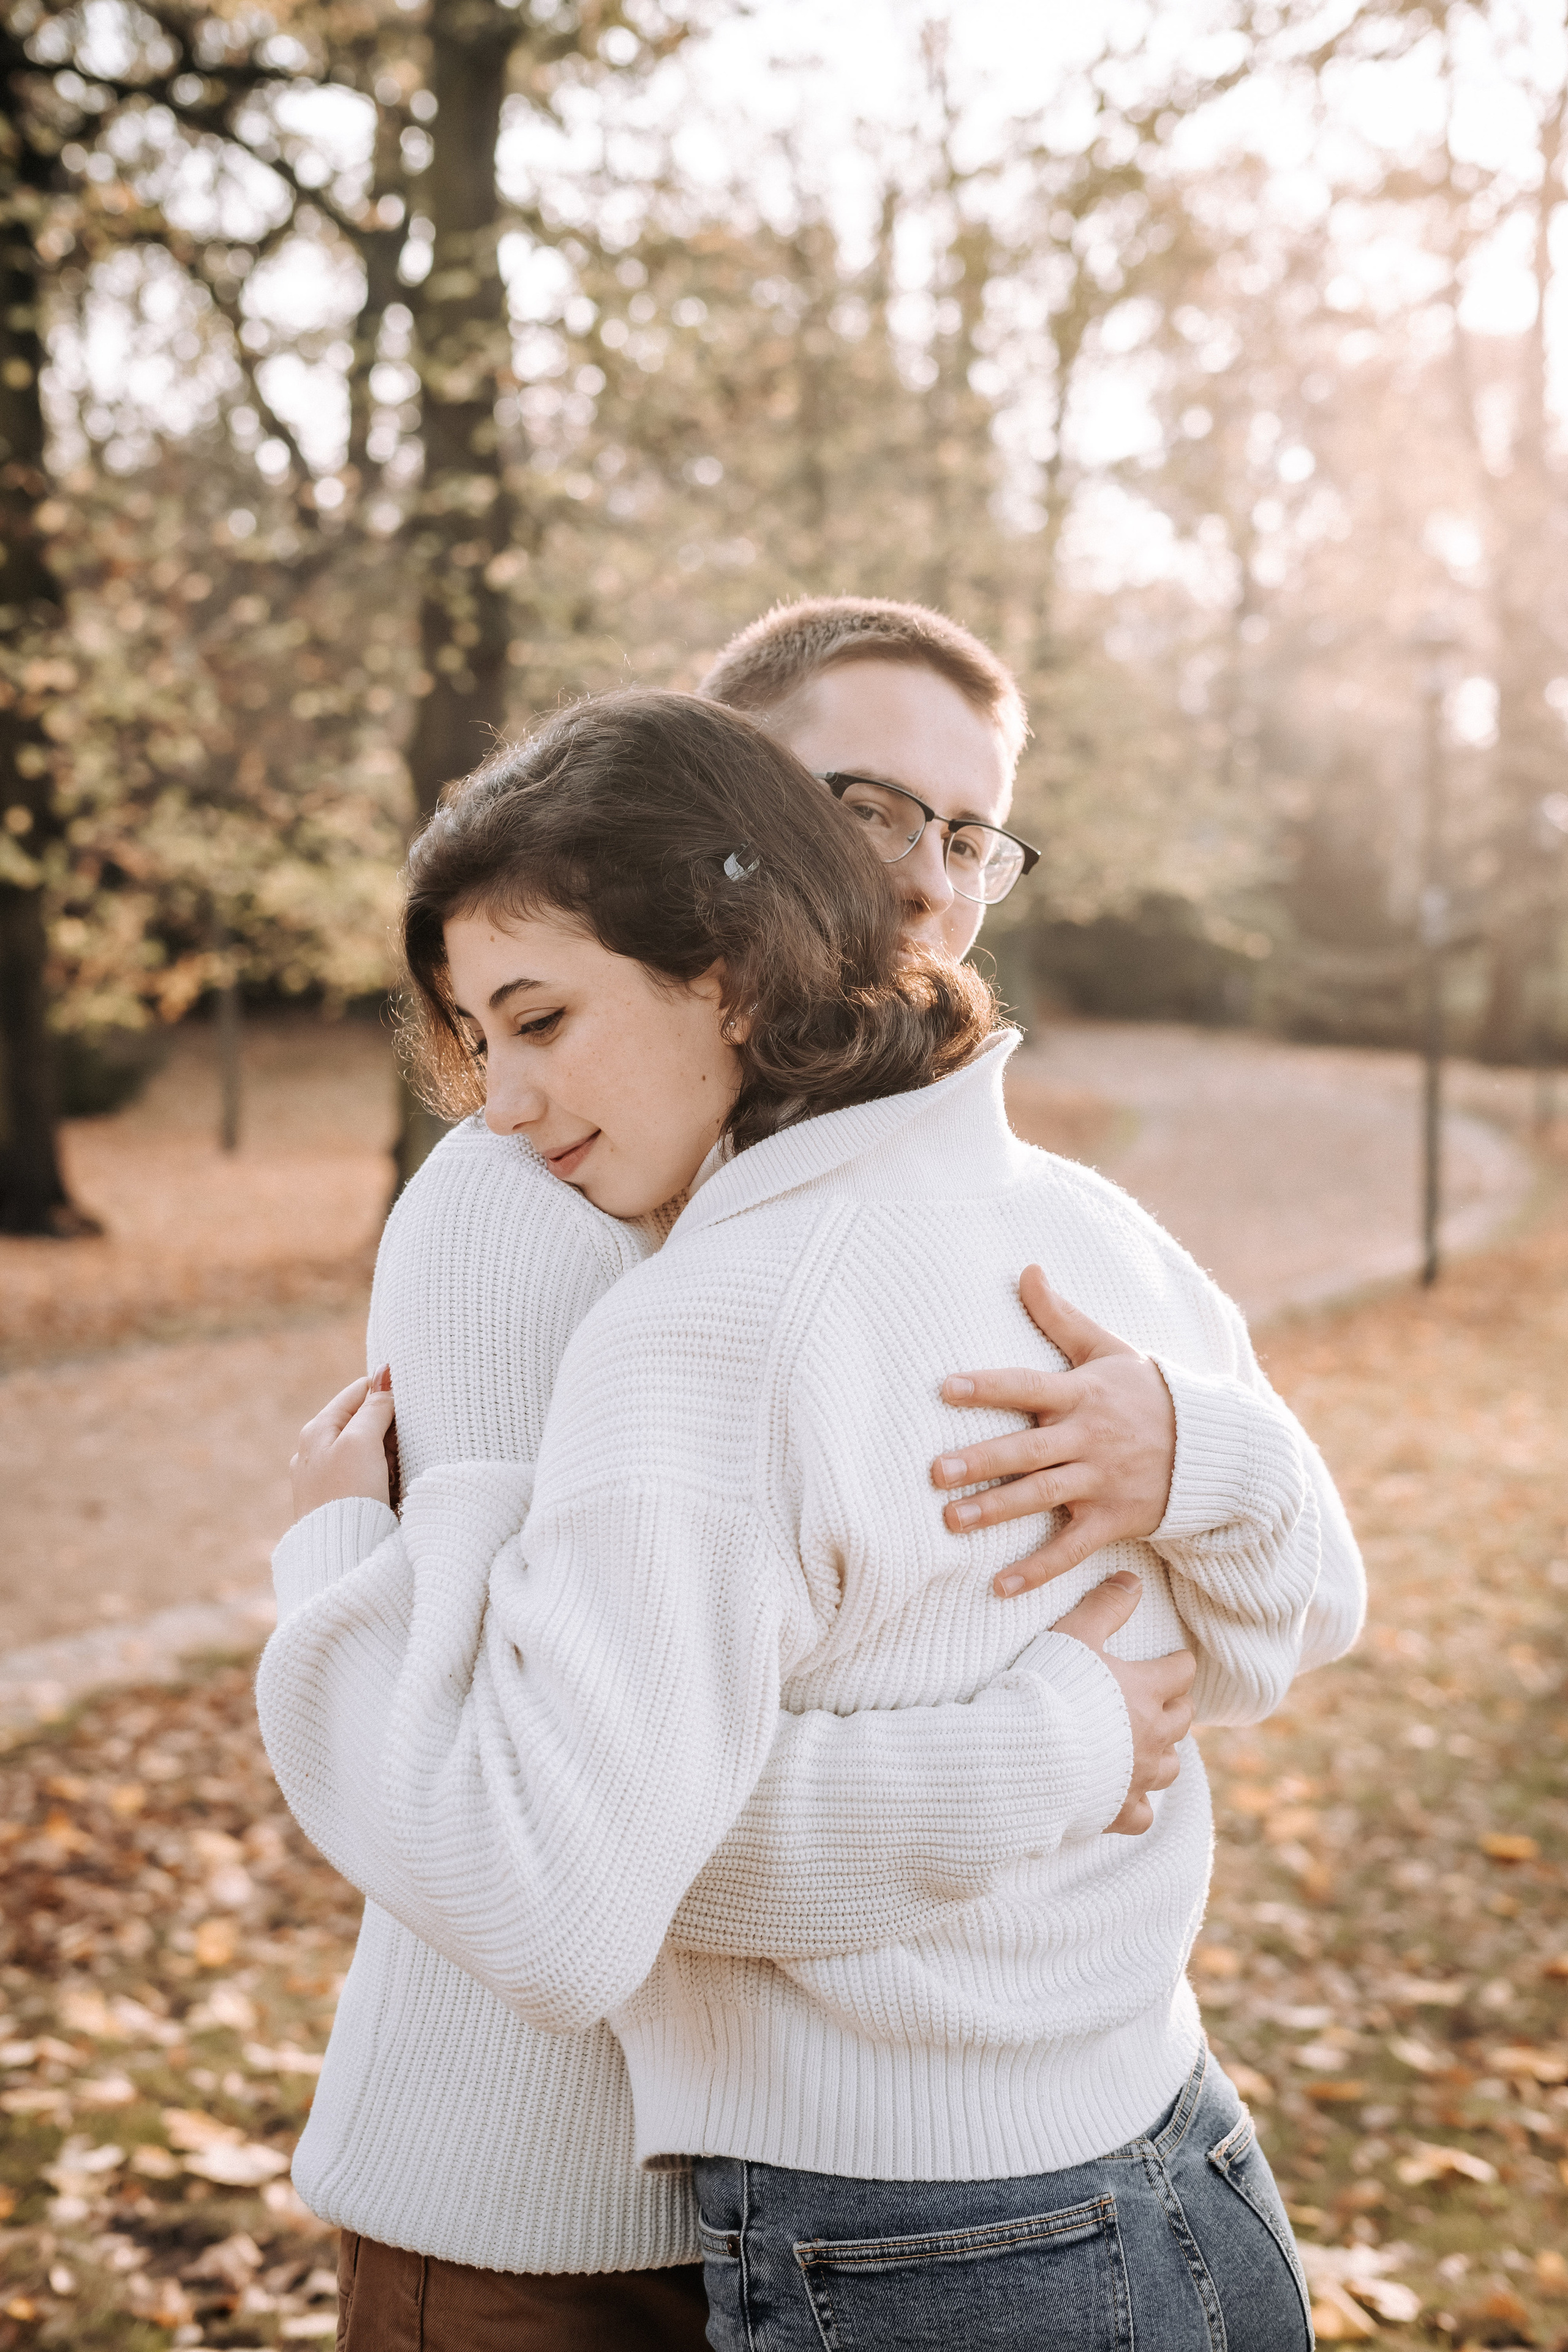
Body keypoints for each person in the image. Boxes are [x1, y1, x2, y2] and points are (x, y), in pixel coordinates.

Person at [260, 687, 1363, 2350]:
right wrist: (1068, 1740)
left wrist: (339, 1573)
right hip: (1136, 2185)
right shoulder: (1034, 1220)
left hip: (960, 2226)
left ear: (730, 956)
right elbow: (611, 1821)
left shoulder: (747, 1313)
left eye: (965, 832)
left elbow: (555, 1876)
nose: (916, 876)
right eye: (859, 810)